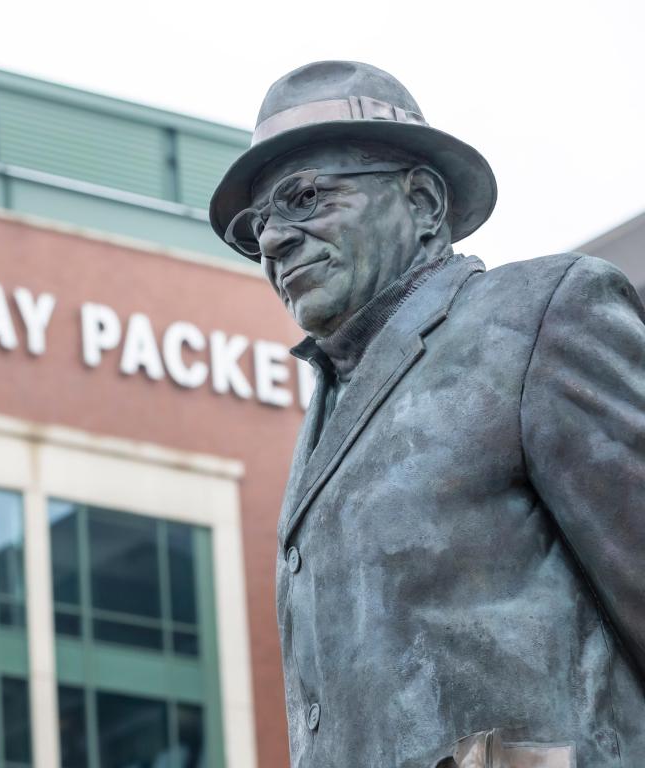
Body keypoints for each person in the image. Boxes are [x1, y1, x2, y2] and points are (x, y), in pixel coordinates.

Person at [210, 60, 645, 767]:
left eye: (305, 197)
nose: (271, 242)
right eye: (257, 224)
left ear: (422, 203)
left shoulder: (540, 319)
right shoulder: (326, 412)